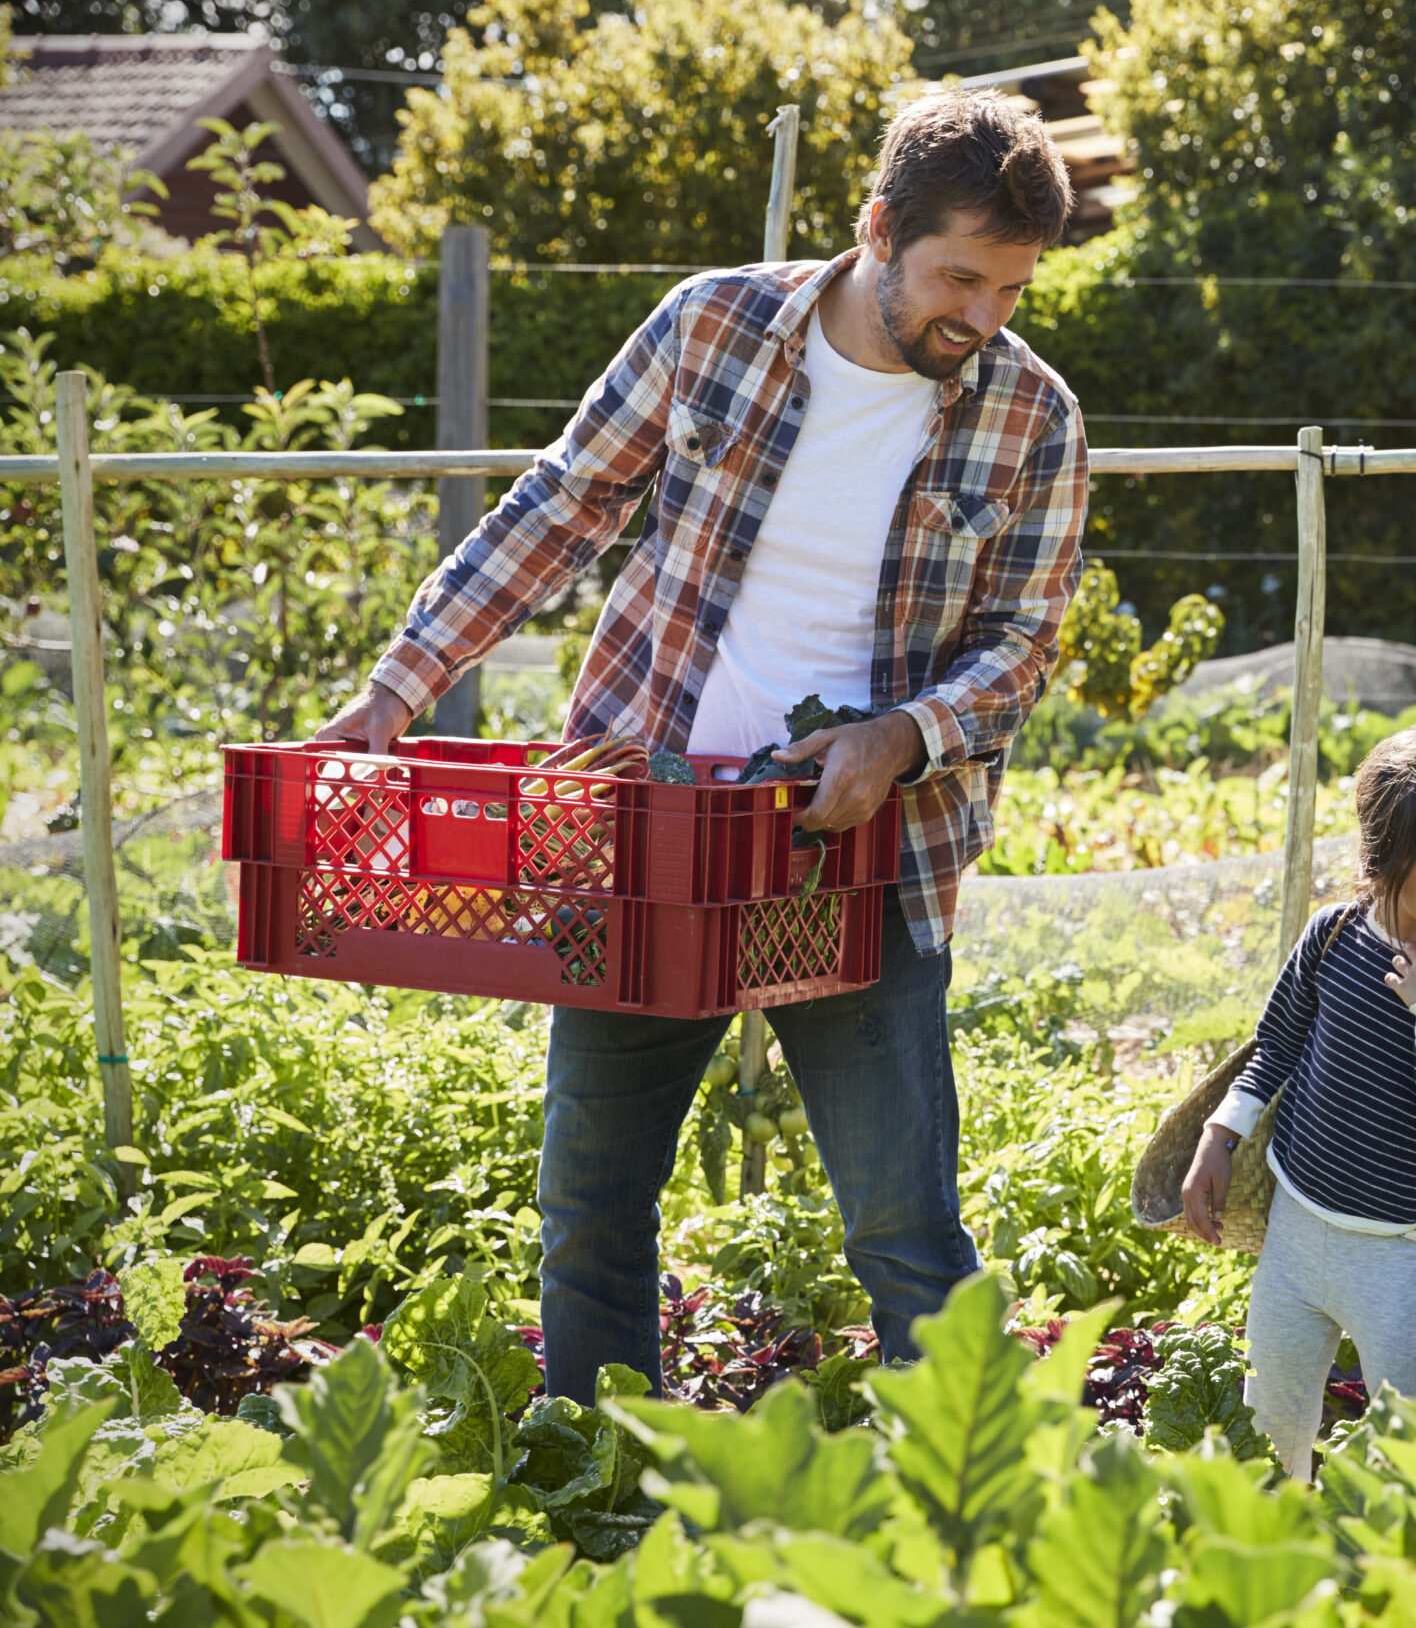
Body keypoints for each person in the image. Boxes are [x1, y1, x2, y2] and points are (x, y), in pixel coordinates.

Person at [316, 90, 1088, 1399]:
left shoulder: (1033, 417)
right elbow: (556, 510)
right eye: (961, 276)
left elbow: (1022, 646)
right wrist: (402, 684)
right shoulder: (715, 327)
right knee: (590, 1207)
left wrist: (904, 735)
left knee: (906, 1227)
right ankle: (605, 1502)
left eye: (1011, 289)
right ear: (877, 228)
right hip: (647, 834)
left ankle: (970, 1530)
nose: (983, 316)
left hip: (858, 858)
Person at [1179, 721, 1416, 1480]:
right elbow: (1274, 1044)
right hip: (1297, 1235)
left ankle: (1400, 1586)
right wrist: (1220, 1133)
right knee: (1268, 1428)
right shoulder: (1336, 931)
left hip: (1407, 1263)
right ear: (1386, 865)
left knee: (1412, 1455)